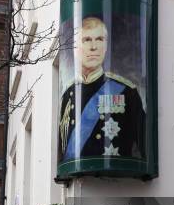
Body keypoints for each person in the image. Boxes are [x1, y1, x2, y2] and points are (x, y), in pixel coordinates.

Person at [58, 17, 145, 163]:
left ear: (105, 46)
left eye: (99, 39)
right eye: (86, 40)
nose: (94, 47)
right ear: (75, 48)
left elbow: (144, 146)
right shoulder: (67, 95)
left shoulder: (126, 91)